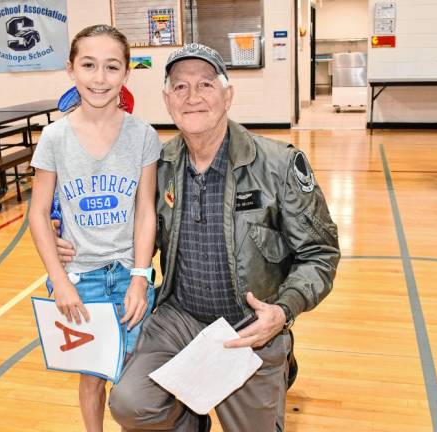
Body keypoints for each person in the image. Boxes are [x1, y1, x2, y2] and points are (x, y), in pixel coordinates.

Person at [55, 43, 340, 431]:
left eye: (205, 84)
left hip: (248, 325)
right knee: (130, 404)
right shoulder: (159, 166)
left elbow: (320, 254)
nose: (192, 97)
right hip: (180, 317)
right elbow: (135, 230)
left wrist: (284, 310)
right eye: (180, 87)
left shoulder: (278, 165)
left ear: (227, 95)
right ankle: (191, 418)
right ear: (167, 100)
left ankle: (279, 356)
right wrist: (73, 238)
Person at [28, 24, 161, 431]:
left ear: (126, 73)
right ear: (71, 69)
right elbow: (37, 214)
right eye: (88, 65)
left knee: (130, 379)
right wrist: (60, 281)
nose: (99, 78)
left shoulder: (143, 135)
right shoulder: (53, 138)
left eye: (111, 67)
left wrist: (140, 277)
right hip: (79, 277)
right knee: (92, 376)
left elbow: (145, 210)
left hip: (126, 275)